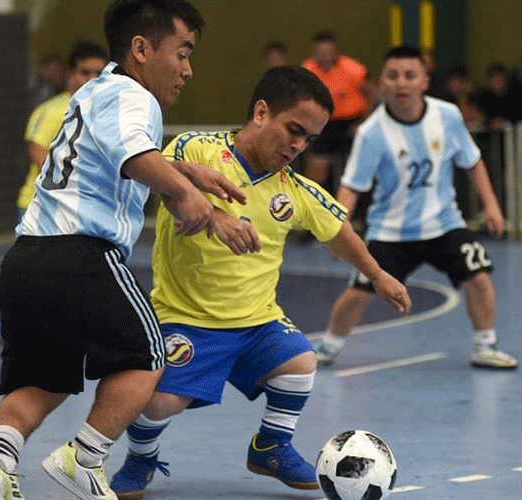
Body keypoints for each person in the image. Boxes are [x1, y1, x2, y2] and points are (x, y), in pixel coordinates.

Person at [0, 1, 249, 499]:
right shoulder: (134, 96)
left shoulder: (94, 91)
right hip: (82, 256)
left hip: (27, 259)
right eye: (182, 53)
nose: (187, 70)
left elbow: (115, 152)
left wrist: (186, 171)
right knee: (148, 356)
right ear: (141, 48)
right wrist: (187, 193)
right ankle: (85, 457)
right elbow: (134, 155)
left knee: (43, 380)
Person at [109, 66, 411, 499]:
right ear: (261, 112)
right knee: (158, 404)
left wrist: (378, 275)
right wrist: (214, 217)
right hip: (187, 316)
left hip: (257, 321)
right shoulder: (197, 148)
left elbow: (338, 231)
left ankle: (271, 447)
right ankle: (141, 458)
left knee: (300, 362)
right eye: (294, 130)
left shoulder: (296, 190)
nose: (299, 145)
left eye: (309, 139)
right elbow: (167, 188)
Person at [314, 46, 517, 370]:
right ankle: (328, 346)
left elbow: (473, 161)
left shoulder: (447, 116)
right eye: (393, 76)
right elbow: (351, 186)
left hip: (444, 224)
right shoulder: (371, 132)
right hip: (390, 232)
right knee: (359, 292)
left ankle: (485, 345)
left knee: (479, 278)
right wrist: (336, 232)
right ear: (382, 82)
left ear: (424, 81)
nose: (401, 83)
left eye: (410, 75)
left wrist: (492, 205)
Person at [0, 40, 108, 343]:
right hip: (38, 205)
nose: (91, 79)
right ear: (70, 74)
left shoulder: (104, 114)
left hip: (78, 207)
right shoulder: (52, 111)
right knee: (31, 270)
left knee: (75, 269)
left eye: (98, 73)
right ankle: (7, 325)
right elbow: (38, 151)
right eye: (85, 72)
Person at [301, 32, 374, 194]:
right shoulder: (307, 70)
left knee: (356, 168)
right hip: (323, 124)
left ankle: (358, 203)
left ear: (335, 51)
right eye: (321, 51)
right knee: (316, 170)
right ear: (314, 52)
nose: (325, 55)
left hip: (352, 123)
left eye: (328, 51)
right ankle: (314, 201)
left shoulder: (353, 68)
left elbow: (371, 94)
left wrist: (364, 122)